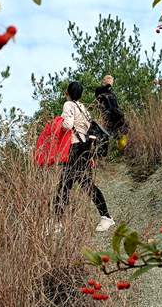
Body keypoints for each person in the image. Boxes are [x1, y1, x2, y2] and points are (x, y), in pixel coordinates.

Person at [56, 81, 115, 232]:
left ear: (68, 93)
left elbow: (68, 125)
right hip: (85, 148)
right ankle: (106, 217)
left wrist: (58, 123)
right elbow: (89, 127)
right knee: (85, 184)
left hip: (75, 148)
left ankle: (57, 223)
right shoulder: (83, 108)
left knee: (64, 185)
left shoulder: (68, 105)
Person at [95, 75, 128, 150]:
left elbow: (116, 106)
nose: (111, 81)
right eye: (108, 78)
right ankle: (106, 152)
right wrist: (108, 84)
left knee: (125, 130)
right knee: (107, 137)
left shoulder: (112, 94)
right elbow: (100, 93)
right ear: (103, 80)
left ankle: (121, 149)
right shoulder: (99, 90)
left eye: (112, 79)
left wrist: (121, 114)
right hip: (107, 118)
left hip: (116, 117)